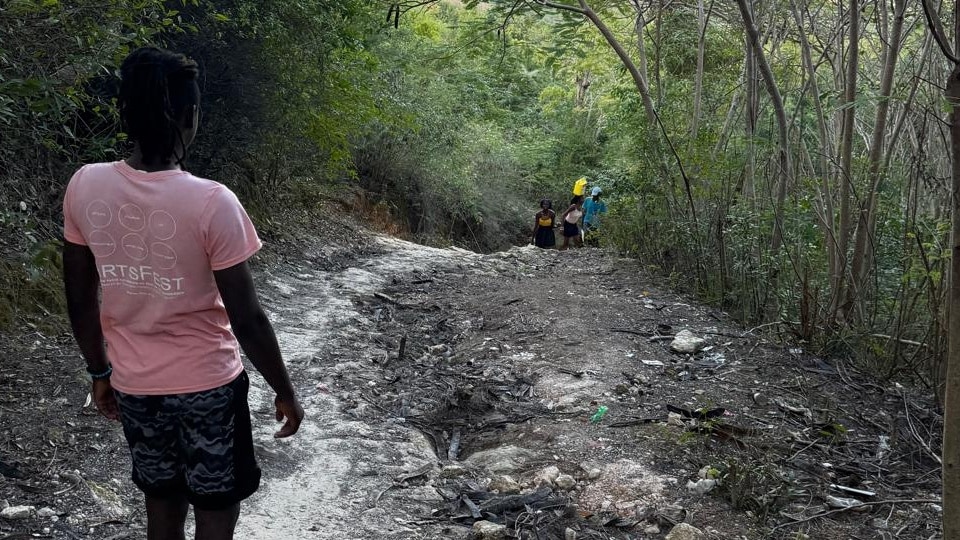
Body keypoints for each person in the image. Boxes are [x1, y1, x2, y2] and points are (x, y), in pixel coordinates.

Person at [62, 46, 304, 540]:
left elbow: (80, 299)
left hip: (135, 387)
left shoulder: (85, 185)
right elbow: (247, 317)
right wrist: (285, 389)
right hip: (208, 387)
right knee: (215, 508)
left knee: (162, 503)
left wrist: (100, 372)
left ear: (125, 114)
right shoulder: (212, 201)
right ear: (190, 116)